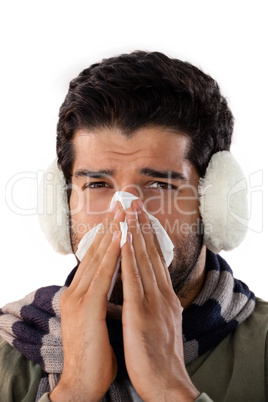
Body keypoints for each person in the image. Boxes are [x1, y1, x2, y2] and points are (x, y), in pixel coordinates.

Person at [0, 51, 267, 402]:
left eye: (159, 185)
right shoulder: (7, 355)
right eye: (98, 185)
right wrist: (75, 390)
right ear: (61, 205)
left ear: (214, 205)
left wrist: (170, 388)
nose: (124, 215)